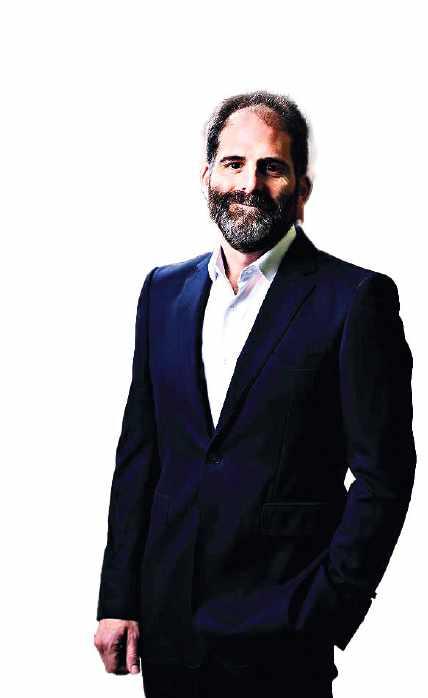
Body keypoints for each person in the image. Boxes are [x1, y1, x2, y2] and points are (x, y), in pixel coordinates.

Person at [94, 91, 416, 697]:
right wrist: (118, 598)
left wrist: (327, 607)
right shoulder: (163, 292)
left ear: (301, 188)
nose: (249, 182)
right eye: (233, 163)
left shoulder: (354, 300)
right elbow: (140, 453)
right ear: (207, 177)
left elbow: (386, 473)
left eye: (272, 167)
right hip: (169, 626)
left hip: (281, 634)